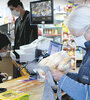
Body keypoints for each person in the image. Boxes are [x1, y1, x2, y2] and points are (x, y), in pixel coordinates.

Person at [50, 5, 90, 100]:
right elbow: (84, 79)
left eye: (77, 35)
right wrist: (65, 75)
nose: (75, 39)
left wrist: (62, 79)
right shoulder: (88, 49)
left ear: (89, 28)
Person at [7, 0, 38, 78]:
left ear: (18, 7)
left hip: (28, 58)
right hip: (20, 58)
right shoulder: (17, 21)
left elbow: (33, 39)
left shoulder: (30, 18)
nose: (12, 12)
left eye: (12, 9)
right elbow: (17, 39)